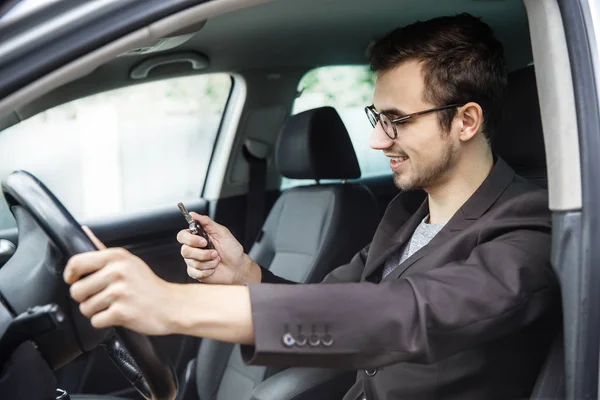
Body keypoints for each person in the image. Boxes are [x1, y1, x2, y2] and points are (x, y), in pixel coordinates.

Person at [63, 13, 561, 400]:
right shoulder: (406, 214)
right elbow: (330, 303)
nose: (375, 138)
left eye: (397, 120)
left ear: (466, 121)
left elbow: (404, 315)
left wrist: (173, 304)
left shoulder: (531, 227)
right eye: (376, 116)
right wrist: (245, 275)